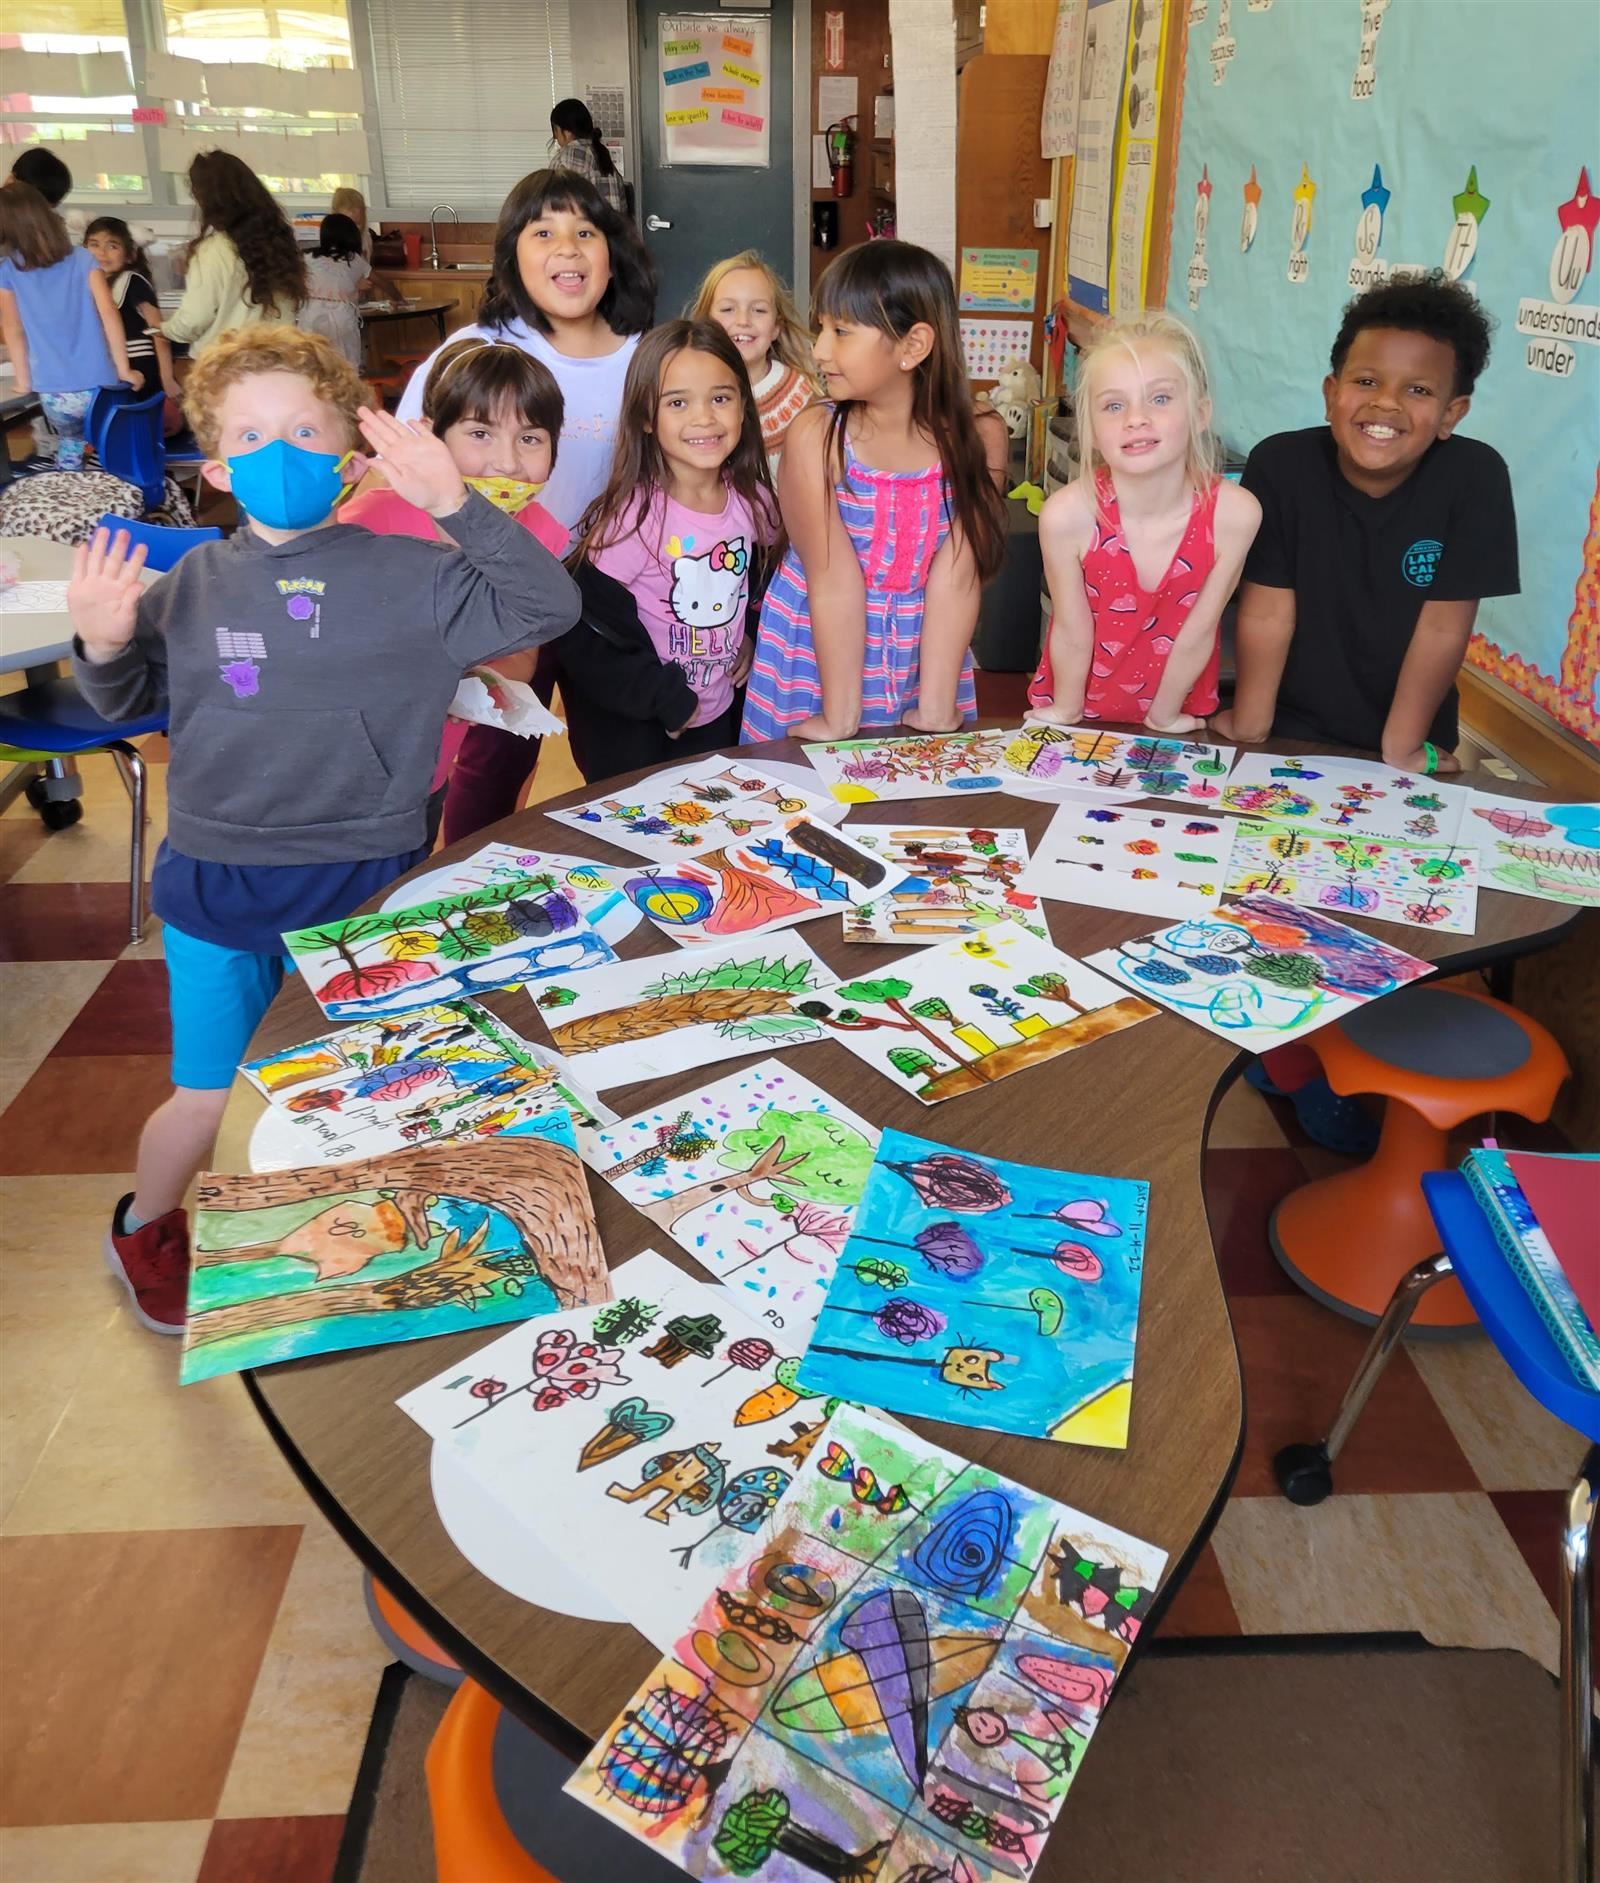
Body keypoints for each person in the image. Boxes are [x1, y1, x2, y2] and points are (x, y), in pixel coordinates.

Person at [66, 325, 580, 1332]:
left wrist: (449, 499)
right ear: (213, 464)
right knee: (205, 1100)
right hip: (215, 891)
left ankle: (346, 1220)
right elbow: (121, 700)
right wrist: (100, 640)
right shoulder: (196, 585)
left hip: (360, 890)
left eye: (305, 429)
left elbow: (545, 599)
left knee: (359, 1086)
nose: (281, 451)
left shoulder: (413, 575)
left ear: (349, 451)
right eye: (250, 435)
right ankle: (145, 1225)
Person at [396, 169, 656, 839]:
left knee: (623, 759)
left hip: (614, 599)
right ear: (514, 251)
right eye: (544, 231)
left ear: (613, 253)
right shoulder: (476, 352)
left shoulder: (646, 359)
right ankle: (464, 883)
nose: (567, 247)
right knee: (493, 759)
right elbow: (410, 473)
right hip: (496, 595)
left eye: (586, 231)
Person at [1212, 272, 1516, 773]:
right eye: (1367, 381)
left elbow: (1442, 628)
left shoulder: (1475, 478)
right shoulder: (1280, 465)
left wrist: (1403, 748)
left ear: (1451, 414)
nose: (1386, 403)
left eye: (1418, 389)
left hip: (1410, 738)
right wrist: (1251, 724)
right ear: (1332, 393)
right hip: (1286, 731)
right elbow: (1267, 613)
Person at [741, 239, 1008, 743]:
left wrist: (935, 704)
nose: (820, 349)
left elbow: (958, 574)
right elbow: (832, 579)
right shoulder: (819, 437)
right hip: (821, 658)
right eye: (822, 327)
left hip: (927, 656)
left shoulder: (980, 435)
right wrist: (841, 717)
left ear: (912, 346)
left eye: (841, 331)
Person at [343, 335, 567, 837]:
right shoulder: (372, 521)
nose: (507, 463)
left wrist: (477, 679)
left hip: (429, 772)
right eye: (481, 434)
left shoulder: (539, 533)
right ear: (435, 437)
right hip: (349, 770)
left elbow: (523, 656)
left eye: (530, 438)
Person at [555, 319, 778, 780]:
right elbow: (582, 631)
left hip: (719, 721)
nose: (704, 418)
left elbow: (768, 583)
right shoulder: (634, 517)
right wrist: (661, 697)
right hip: (648, 737)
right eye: (678, 402)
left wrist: (752, 635)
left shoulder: (755, 503)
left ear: (743, 408)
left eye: (721, 398)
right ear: (645, 417)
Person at [1029, 311, 1260, 733]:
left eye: (1159, 398)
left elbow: (1200, 629)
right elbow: (1070, 628)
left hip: (1174, 707)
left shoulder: (1236, 514)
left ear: (1200, 412)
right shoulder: (1067, 516)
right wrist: (1066, 710)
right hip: (1079, 708)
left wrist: (1164, 714)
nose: (1136, 418)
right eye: (1114, 405)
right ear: (1094, 431)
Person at [0, 180, 131, 469]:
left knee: (70, 443)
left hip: (54, 391)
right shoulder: (83, 258)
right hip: (101, 384)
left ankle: (73, 495)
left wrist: (23, 381)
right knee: (106, 448)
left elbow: (13, 330)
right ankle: (111, 498)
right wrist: (123, 368)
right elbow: (109, 313)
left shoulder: (8, 271)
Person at [161, 149, 306, 359]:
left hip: (227, 366)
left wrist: (165, 329)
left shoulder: (213, 250)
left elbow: (195, 318)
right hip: (278, 359)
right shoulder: (278, 242)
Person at [691, 249, 818, 466]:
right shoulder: (687, 385)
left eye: (758, 310)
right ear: (706, 322)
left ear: (777, 327)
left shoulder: (801, 394)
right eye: (728, 309)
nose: (743, 320)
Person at [84, 215, 180, 406]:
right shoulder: (87, 286)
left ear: (130, 255)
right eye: (94, 244)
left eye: (113, 246)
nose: (102, 253)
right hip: (109, 371)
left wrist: (167, 378)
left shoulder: (132, 282)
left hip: (141, 371)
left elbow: (158, 332)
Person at [299, 212, 372, 368]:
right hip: (342, 315)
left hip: (311, 312)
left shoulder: (308, 256)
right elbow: (372, 281)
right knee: (346, 362)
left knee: (312, 362)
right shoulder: (354, 259)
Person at [548, 98, 628, 218]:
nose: (556, 138)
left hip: (586, 232)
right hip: (616, 232)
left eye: (556, 131)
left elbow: (555, 207)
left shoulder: (566, 157)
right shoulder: (600, 152)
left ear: (566, 131)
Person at [331, 185, 374, 263]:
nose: (352, 230)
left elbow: (365, 268)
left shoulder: (365, 238)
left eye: (357, 224)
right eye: (346, 225)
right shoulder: (331, 242)